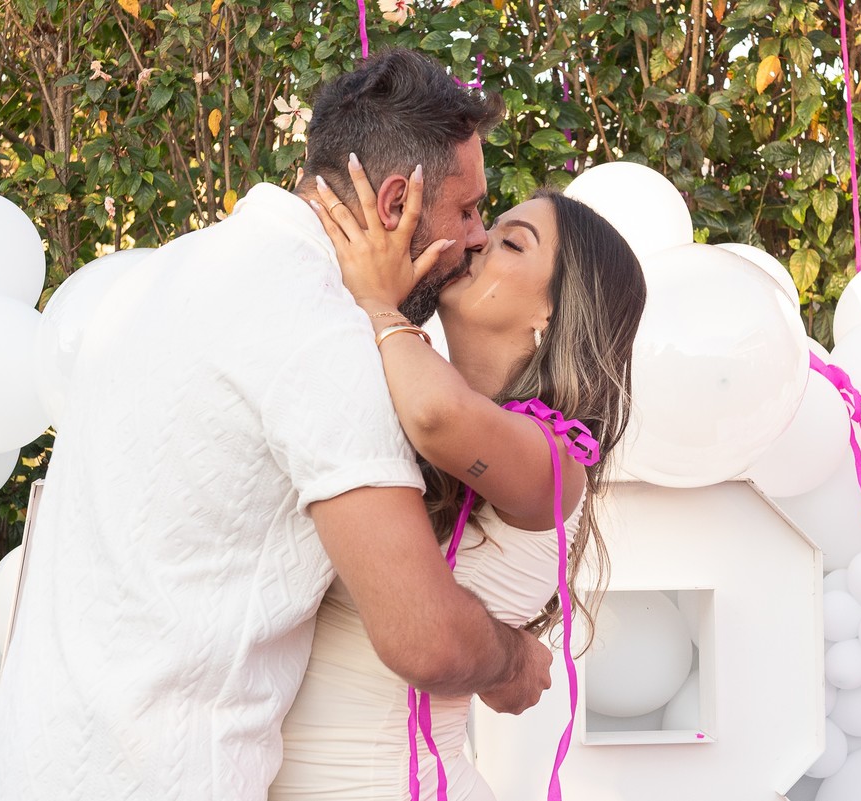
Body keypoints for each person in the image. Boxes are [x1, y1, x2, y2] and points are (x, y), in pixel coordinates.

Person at [0, 49, 552, 801]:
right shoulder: (324, 334)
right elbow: (424, 637)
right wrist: (510, 662)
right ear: (395, 203)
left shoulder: (169, 271)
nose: (475, 237)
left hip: (26, 768)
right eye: (467, 210)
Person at [269, 150, 647, 799]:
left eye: (511, 243)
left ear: (553, 312)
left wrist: (375, 300)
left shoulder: (557, 460)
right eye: (484, 224)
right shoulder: (397, 387)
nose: (475, 240)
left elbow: (439, 415)